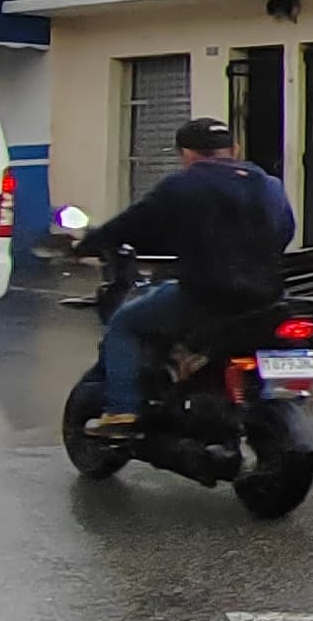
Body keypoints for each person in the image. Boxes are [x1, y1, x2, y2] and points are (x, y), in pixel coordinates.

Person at [75, 117, 296, 434]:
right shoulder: (269, 185)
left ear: (186, 154)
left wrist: (90, 244)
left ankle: (122, 412)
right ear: (233, 149)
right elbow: (284, 233)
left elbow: (133, 224)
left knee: (124, 324)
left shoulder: (182, 185)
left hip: (206, 297)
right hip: (267, 299)